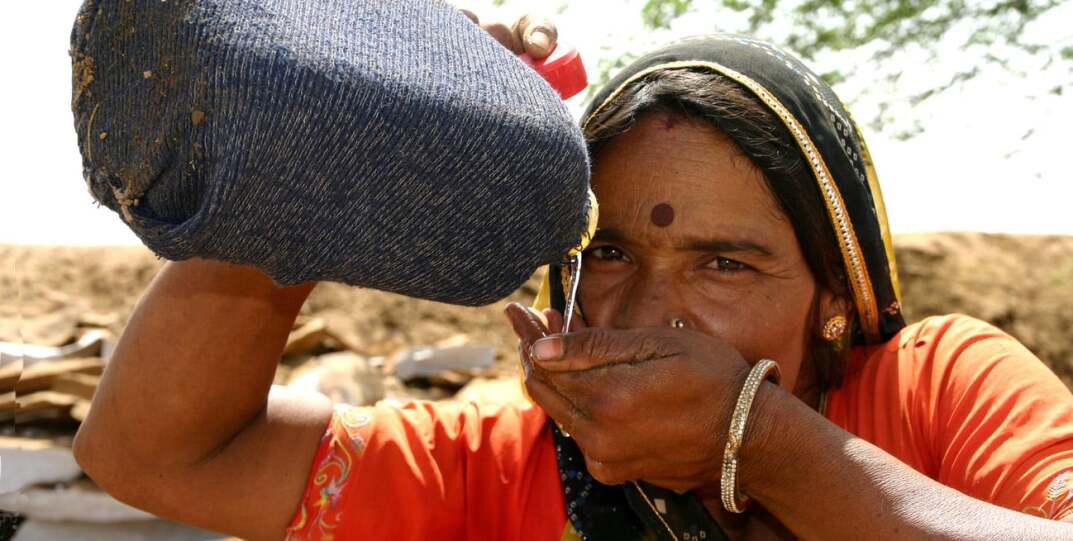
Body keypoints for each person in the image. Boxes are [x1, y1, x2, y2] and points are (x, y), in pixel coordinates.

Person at [73, 15, 1073, 541]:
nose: (646, 315)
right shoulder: (508, 465)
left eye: (723, 262)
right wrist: (331, 144)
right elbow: (156, 456)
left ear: (836, 298)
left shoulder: (936, 389)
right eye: (608, 256)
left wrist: (761, 444)